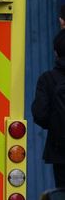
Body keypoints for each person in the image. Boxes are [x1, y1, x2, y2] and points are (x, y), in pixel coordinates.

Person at [32, 29, 65, 187]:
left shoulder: (47, 79)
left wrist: (56, 125)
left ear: (55, 52)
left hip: (60, 151)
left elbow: (40, 114)